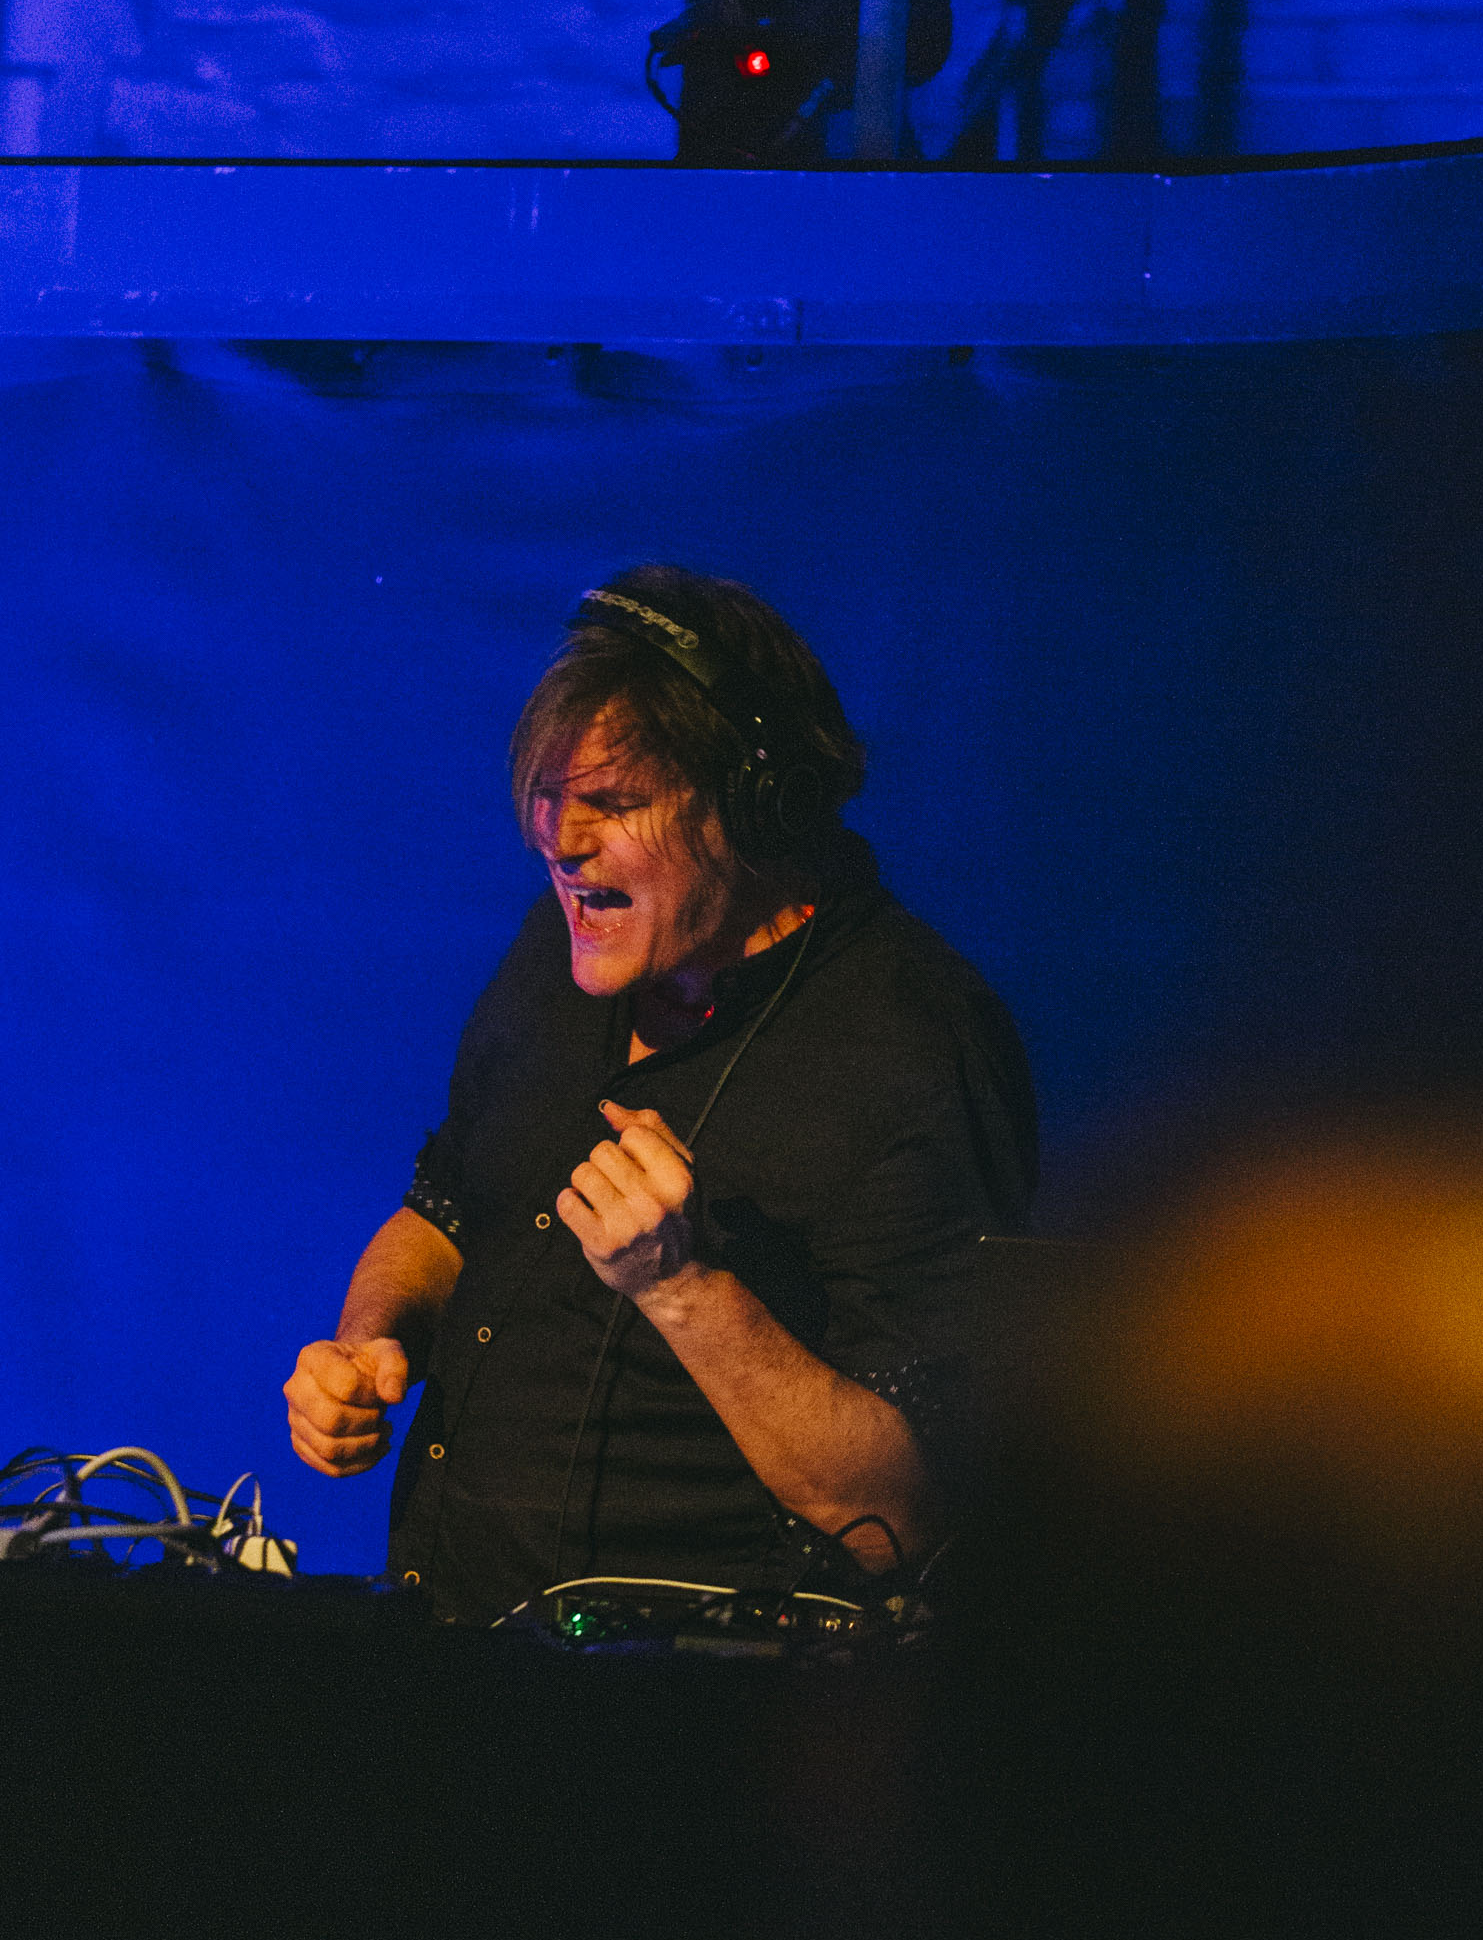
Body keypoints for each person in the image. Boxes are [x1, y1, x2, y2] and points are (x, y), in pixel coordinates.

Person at [283, 567, 1037, 1624]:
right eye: (551, 801)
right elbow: (446, 1208)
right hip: (449, 1639)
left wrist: (682, 1287)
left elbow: (905, 1512)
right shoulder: (555, 954)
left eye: (614, 804)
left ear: (756, 807)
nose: (561, 843)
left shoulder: (914, 1046)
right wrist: (366, 1341)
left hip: (691, 1703)